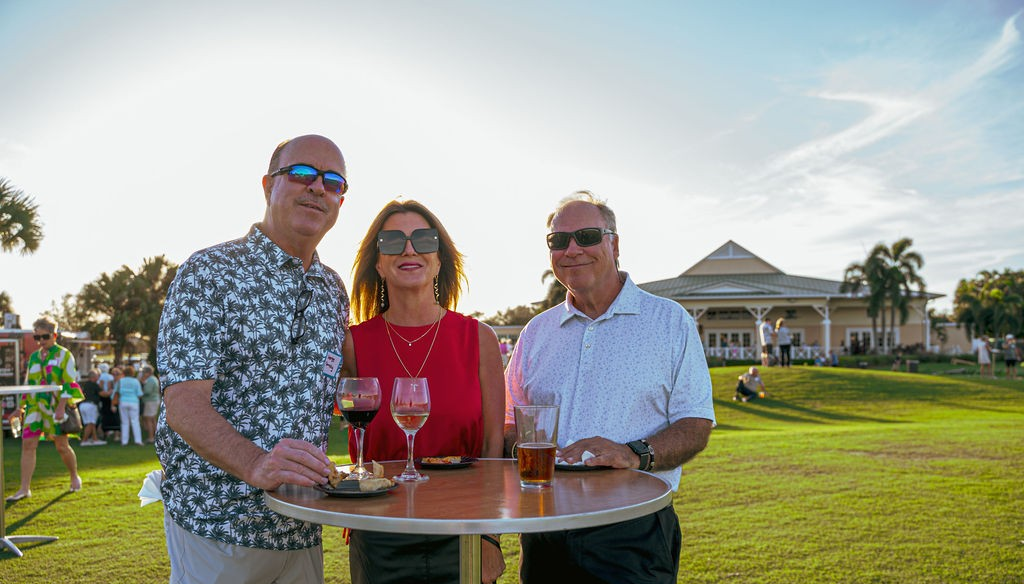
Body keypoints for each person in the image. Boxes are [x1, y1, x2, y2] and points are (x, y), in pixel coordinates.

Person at [156, 135, 350, 582]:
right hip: (217, 527)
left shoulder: (332, 289)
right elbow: (183, 405)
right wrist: (257, 464)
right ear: (268, 186)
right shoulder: (209, 271)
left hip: (300, 529)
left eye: (333, 181)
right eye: (302, 174)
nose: (318, 187)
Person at [504, 191, 716, 583]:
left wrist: (634, 454)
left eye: (586, 236)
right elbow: (509, 420)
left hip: (633, 531)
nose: (572, 249)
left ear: (613, 243)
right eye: (558, 240)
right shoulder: (537, 332)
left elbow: (696, 423)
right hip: (544, 531)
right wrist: (522, 447)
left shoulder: (668, 321)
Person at [340, 200, 507, 584]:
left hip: (463, 534)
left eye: (423, 239)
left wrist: (490, 537)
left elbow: (493, 450)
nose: (410, 249)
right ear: (379, 263)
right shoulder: (352, 344)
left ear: (439, 259)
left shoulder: (479, 339)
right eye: (394, 241)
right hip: (379, 536)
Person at [5, 316, 84, 502]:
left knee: (62, 446)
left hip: (56, 408)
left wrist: (61, 407)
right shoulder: (33, 357)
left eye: (44, 336)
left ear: (54, 335)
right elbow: (28, 385)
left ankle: (74, 476)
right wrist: (20, 408)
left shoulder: (64, 355)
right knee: (28, 445)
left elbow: (69, 383)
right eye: (37, 337)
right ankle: (24, 489)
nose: (40, 341)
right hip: (34, 408)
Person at [112, 365, 144, 446]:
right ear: (133, 373)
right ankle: (138, 440)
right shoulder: (136, 381)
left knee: (124, 422)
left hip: (123, 402)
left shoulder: (120, 381)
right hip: (134, 402)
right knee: (135, 421)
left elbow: (115, 393)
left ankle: (124, 441)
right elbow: (140, 394)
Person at [77, 368, 106, 446]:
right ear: (94, 377)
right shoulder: (94, 384)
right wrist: (110, 391)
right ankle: (84, 440)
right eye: (97, 376)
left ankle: (95, 439)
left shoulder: (85, 384)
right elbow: (103, 394)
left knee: (90, 423)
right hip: (90, 405)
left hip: (83, 405)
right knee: (91, 423)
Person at [139, 365, 161, 444]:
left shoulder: (150, 380)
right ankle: (157, 436)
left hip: (150, 401)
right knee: (152, 419)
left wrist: (140, 390)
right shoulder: (153, 378)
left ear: (148, 372)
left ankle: (151, 437)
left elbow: (147, 391)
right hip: (154, 400)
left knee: (148, 419)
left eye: (144, 372)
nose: (143, 374)